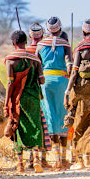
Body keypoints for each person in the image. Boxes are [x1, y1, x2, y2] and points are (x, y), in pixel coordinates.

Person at [64, 19, 90, 169]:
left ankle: (80, 160)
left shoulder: (80, 48)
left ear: (83, 33)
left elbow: (74, 72)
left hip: (81, 90)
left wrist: (68, 91)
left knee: (79, 123)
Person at [3, 30, 46, 173]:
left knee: (17, 126)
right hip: (33, 97)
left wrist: (6, 103)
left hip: (17, 99)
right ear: (26, 42)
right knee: (35, 126)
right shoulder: (35, 59)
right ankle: (37, 160)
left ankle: (20, 164)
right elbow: (42, 80)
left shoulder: (11, 60)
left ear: (13, 43)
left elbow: (10, 83)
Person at [35, 16, 73, 171]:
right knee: (63, 116)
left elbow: (37, 65)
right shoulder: (65, 44)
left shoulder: (40, 44)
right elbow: (70, 65)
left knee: (50, 117)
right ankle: (64, 160)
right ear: (60, 28)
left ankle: (56, 160)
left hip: (46, 82)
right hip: (62, 81)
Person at [25, 23, 52, 169]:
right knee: (44, 122)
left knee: (31, 122)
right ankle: (42, 158)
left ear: (30, 36)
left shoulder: (25, 51)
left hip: (28, 90)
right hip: (42, 88)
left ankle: (31, 157)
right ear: (42, 35)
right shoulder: (44, 48)